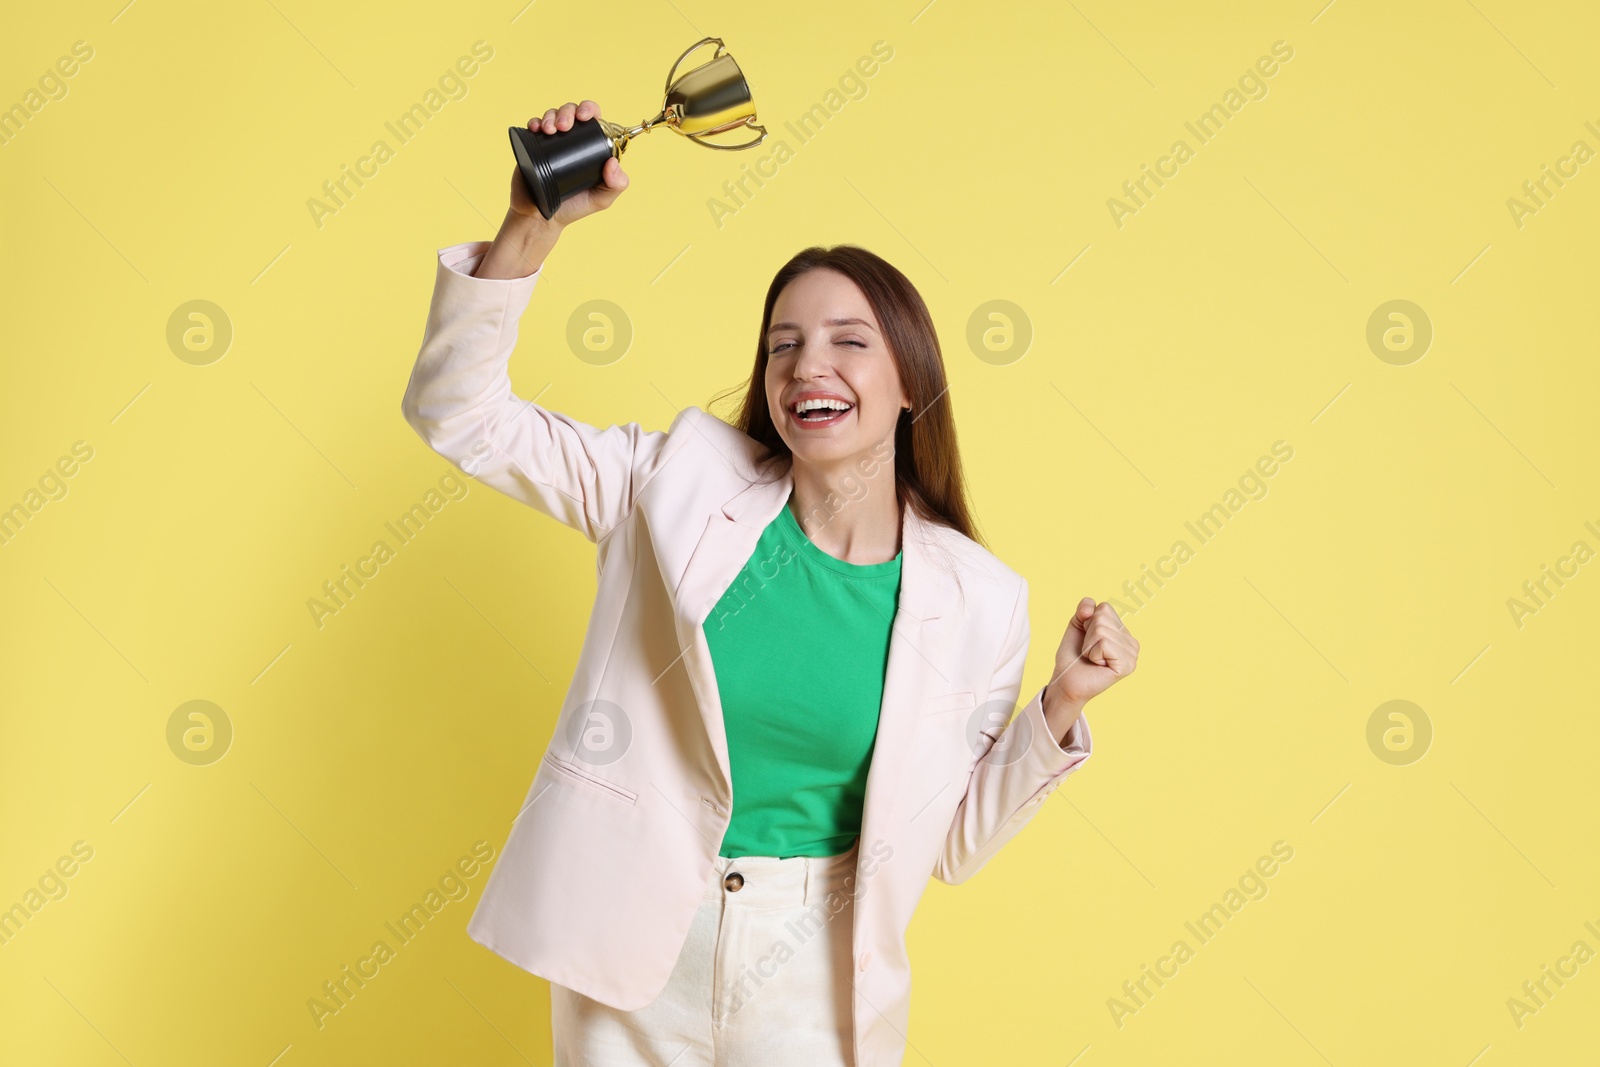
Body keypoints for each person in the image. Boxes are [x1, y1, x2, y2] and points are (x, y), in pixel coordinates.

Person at [400, 99, 1140, 1067]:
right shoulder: (668, 485)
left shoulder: (980, 599)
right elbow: (460, 415)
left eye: (847, 340)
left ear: (910, 381)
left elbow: (950, 840)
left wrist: (1058, 706)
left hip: (815, 970)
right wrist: (532, 222)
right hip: (630, 947)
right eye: (782, 342)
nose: (806, 365)